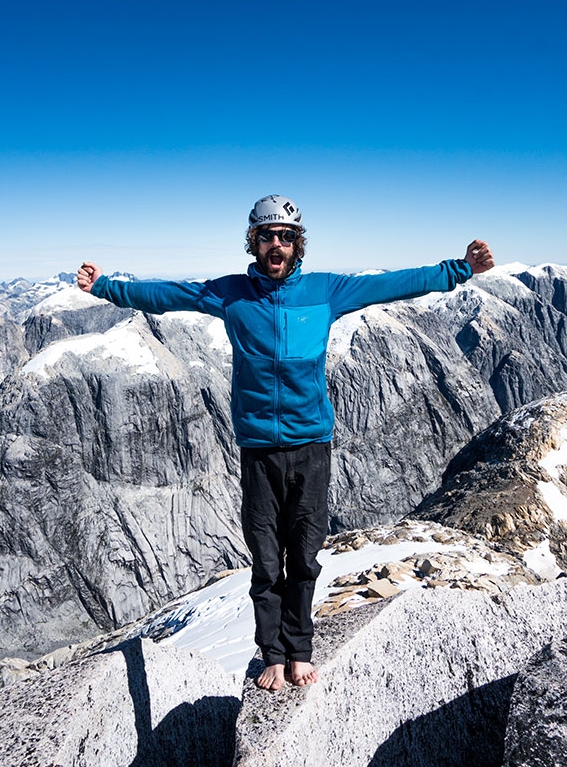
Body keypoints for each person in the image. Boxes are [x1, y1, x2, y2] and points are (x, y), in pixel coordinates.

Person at [77, 193, 494, 691]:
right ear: (252, 243)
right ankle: (272, 653)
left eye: (286, 237)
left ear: (299, 245)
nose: (276, 244)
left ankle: (300, 649)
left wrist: (460, 269)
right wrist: (105, 287)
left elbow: (392, 285)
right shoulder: (229, 294)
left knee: (305, 555)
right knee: (266, 558)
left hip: (312, 447)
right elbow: (167, 296)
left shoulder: (326, 291)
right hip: (257, 449)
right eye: (267, 236)